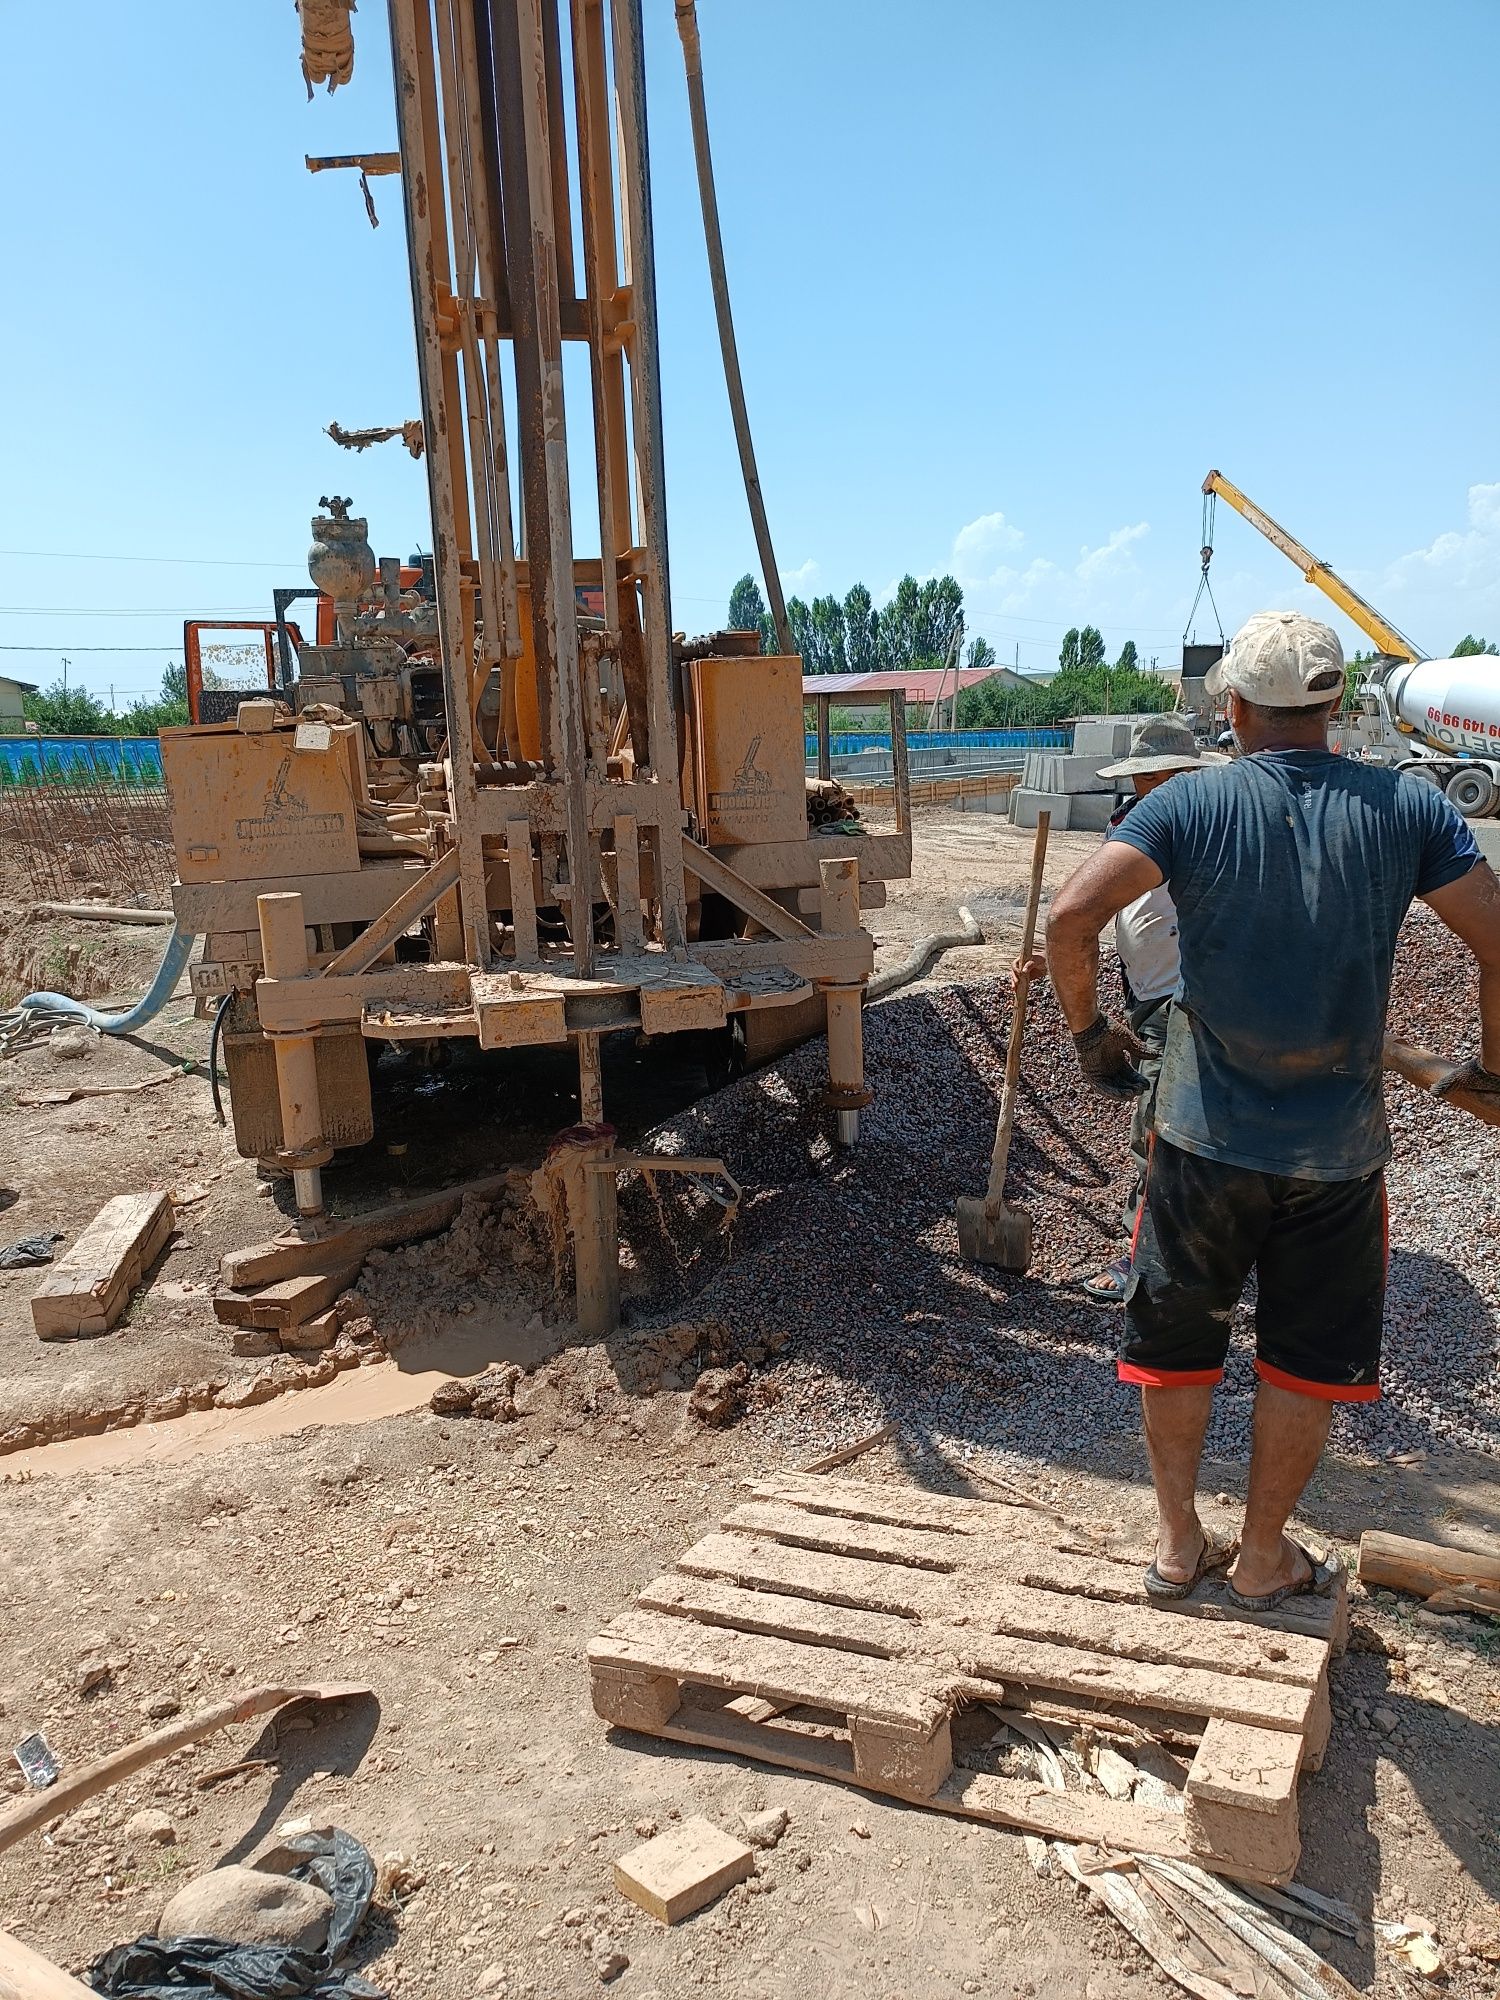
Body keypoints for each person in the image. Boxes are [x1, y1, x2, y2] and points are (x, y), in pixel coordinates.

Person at [1045, 610, 1500, 1609]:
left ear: (1237, 707)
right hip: (1336, 1153)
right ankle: (1262, 1556)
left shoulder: (1189, 807)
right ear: (1335, 706)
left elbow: (1072, 916)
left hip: (1200, 1139)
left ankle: (1176, 1545)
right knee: (1302, 1358)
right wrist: (1492, 1074)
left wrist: (1090, 1038)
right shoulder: (1408, 809)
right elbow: (1499, 941)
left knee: (1175, 1340)